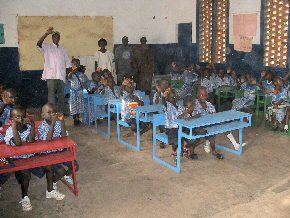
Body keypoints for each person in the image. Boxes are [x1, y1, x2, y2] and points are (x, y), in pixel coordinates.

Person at [4, 106, 65, 211]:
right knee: (26, 175)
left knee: (49, 166)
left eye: (23, 117)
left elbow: (31, 140)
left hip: (31, 155)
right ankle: (24, 197)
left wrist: (32, 125)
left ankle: (50, 191)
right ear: (12, 119)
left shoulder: (27, 128)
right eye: (17, 117)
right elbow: (18, 143)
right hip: (18, 159)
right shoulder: (10, 131)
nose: (20, 120)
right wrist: (14, 128)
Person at [38, 103, 79, 190]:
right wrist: (52, 124)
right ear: (43, 115)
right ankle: (53, 181)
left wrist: (62, 121)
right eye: (49, 112)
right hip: (48, 154)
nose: (52, 114)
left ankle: (66, 176)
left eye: (54, 112)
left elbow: (64, 137)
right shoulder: (42, 126)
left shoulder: (58, 123)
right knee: (61, 171)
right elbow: (48, 139)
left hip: (59, 151)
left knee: (75, 166)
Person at [37, 27, 71, 113]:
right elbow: (38, 44)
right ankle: (51, 112)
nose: (56, 38)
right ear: (52, 38)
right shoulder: (47, 46)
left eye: (58, 37)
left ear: (59, 38)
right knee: (51, 94)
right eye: (54, 37)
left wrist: (67, 74)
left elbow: (67, 63)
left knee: (61, 94)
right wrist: (46, 33)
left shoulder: (63, 49)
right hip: (50, 74)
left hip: (61, 74)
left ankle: (61, 111)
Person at [68, 58, 88, 126]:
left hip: (79, 92)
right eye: (73, 64)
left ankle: (78, 119)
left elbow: (84, 82)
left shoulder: (81, 74)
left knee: (79, 106)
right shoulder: (70, 73)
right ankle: (75, 119)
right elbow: (68, 77)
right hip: (73, 92)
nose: (74, 65)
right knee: (73, 106)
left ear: (78, 65)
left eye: (75, 64)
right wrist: (72, 72)